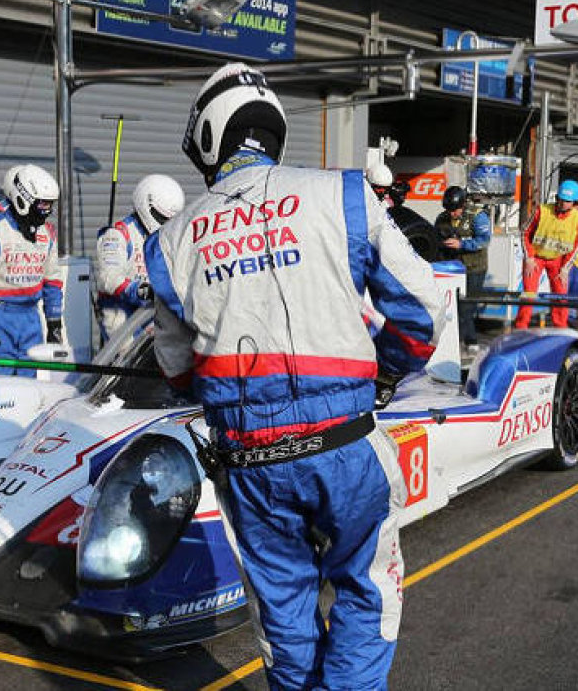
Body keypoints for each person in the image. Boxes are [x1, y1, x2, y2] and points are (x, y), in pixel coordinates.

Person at [145, 62, 444, 690]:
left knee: (284, 614)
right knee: (368, 592)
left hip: (250, 463)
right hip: (346, 445)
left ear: (207, 138)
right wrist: (386, 372)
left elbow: (175, 370)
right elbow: (423, 310)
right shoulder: (345, 193)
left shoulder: (170, 241)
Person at [0, 164, 65, 373]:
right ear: (23, 198)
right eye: (42, 204)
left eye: (50, 205)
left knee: (29, 387)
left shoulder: (48, 234)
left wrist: (54, 324)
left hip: (30, 317)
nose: (47, 211)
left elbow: (52, 281)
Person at [94, 173, 184, 342]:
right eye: (162, 218)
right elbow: (108, 279)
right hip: (120, 314)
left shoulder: (166, 238)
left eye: (170, 220)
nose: (165, 224)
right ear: (146, 205)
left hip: (153, 313)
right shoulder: (117, 234)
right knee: (129, 363)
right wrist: (142, 290)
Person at [514, 180, 578, 329]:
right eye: (560, 199)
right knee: (529, 293)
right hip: (536, 258)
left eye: (567, 201)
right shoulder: (541, 210)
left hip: (559, 261)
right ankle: (521, 326)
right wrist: (529, 257)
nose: (562, 204)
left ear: (574, 202)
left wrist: (565, 268)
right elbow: (525, 232)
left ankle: (560, 327)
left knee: (560, 295)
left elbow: (576, 246)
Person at [435, 185, 490, 352]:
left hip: (474, 268)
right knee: (451, 306)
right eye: (449, 210)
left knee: (466, 307)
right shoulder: (442, 218)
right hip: (451, 268)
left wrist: (462, 244)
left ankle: (465, 342)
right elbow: (435, 236)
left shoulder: (477, 217)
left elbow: (484, 241)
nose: (452, 213)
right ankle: (462, 341)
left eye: (455, 210)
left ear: (463, 205)